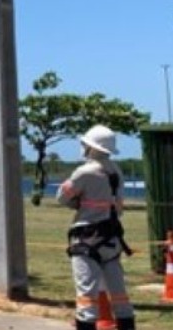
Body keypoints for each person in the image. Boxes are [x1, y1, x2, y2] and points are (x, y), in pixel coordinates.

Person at [56, 125, 136, 330]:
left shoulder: (84, 172)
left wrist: (79, 204)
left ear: (90, 147)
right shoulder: (115, 170)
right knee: (119, 296)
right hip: (111, 239)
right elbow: (116, 204)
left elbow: (62, 197)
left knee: (87, 299)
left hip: (86, 238)